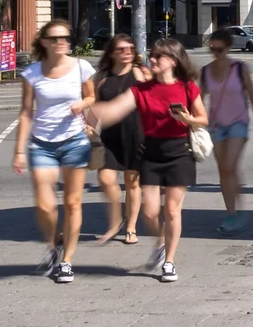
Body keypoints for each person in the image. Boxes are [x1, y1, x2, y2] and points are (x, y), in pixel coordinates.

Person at [83, 37, 205, 282]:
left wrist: (187, 120)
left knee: (172, 210)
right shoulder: (140, 89)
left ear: (171, 60)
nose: (151, 59)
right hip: (151, 153)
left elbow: (203, 118)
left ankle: (169, 262)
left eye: (157, 56)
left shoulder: (187, 87)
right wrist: (88, 115)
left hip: (180, 152)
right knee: (149, 214)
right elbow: (114, 109)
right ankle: (161, 244)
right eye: (152, 55)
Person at [12, 19, 95, 283]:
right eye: (56, 38)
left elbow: (92, 97)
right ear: (44, 42)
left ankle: (67, 261)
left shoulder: (81, 66)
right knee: (45, 205)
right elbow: (26, 112)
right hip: (41, 143)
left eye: (66, 38)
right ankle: (52, 244)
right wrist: (19, 151)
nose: (62, 42)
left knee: (72, 203)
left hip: (74, 140)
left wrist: (82, 104)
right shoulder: (33, 73)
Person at [199, 26, 253, 233]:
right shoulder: (206, 72)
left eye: (219, 49)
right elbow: (199, 100)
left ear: (228, 48)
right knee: (225, 171)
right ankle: (232, 214)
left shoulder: (239, 68)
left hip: (238, 122)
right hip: (216, 125)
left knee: (228, 166)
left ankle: (236, 212)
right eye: (212, 49)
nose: (216, 53)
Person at [90, 34, 144, 246]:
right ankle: (116, 220)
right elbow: (93, 105)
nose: (127, 52)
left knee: (132, 182)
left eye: (130, 48)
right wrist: (89, 126)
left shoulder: (140, 73)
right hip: (109, 138)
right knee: (105, 179)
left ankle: (131, 226)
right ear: (112, 53)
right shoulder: (102, 76)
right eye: (122, 49)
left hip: (136, 135)